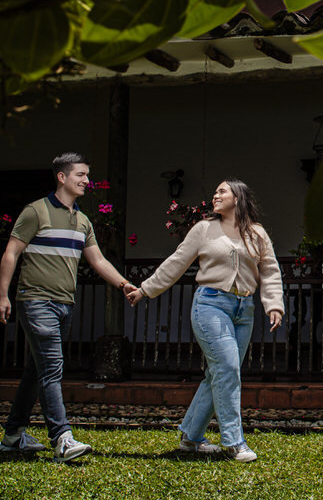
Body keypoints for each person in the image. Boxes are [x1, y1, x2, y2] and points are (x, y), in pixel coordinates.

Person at [125, 178, 283, 463]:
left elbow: (269, 270)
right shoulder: (203, 229)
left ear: (238, 197)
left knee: (218, 374)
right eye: (215, 191)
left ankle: (191, 437)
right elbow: (176, 263)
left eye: (222, 191)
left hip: (244, 310)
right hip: (210, 305)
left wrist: (274, 305)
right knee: (228, 368)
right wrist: (145, 289)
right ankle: (235, 441)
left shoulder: (256, 233)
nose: (215, 195)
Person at [0, 152, 136, 462]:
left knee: (36, 370)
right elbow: (11, 253)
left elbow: (97, 259)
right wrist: (2, 295)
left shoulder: (82, 220)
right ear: (62, 177)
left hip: (64, 305)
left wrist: (124, 284)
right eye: (80, 175)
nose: (87, 180)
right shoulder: (35, 212)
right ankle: (62, 438)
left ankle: (13, 436)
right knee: (52, 368)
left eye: (87, 175)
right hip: (35, 301)